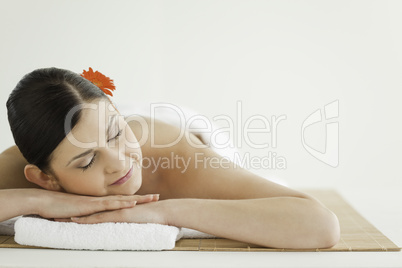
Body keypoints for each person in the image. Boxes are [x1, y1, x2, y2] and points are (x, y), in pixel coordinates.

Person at [1, 67, 340, 249]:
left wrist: (164, 211)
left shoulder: (178, 162)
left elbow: (320, 224)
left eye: (117, 134)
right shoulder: (28, 169)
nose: (119, 163)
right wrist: (36, 200)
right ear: (46, 177)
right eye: (87, 161)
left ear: (119, 117)